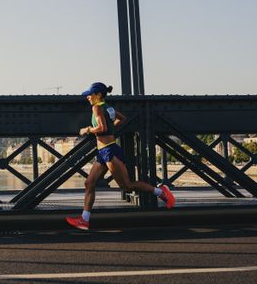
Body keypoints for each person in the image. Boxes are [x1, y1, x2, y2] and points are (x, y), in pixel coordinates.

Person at [66, 82, 175, 230]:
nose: (87, 97)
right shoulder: (108, 107)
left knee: (127, 186)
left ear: (98, 95)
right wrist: (111, 129)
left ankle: (161, 192)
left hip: (109, 152)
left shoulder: (97, 107)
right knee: (89, 184)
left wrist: (87, 129)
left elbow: (102, 127)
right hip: (103, 152)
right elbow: (122, 119)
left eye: (90, 95)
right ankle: (84, 220)